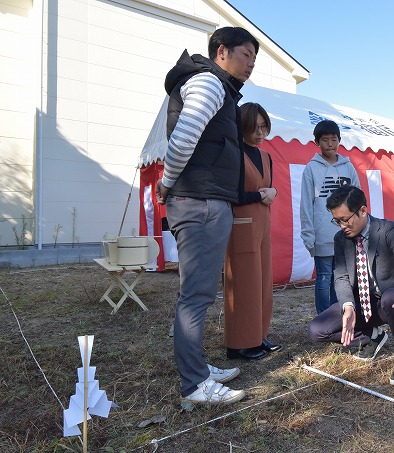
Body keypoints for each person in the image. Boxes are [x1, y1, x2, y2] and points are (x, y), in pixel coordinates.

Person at [155, 27, 258, 405]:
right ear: (221, 52)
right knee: (195, 295)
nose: (250, 64)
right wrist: (167, 181)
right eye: (245, 54)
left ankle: (197, 366)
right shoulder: (209, 83)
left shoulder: (216, 86)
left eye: (253, 58)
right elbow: (183, 137)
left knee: (198, 292)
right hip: (200, 200)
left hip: (205, 199)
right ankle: (195, 384)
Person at [308, 185, 394, 387]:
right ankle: (372, 336)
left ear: (363, 210)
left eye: (346, 219)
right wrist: (348, 306)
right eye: (337, 221)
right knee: (317, 330)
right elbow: (341, 276)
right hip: (362, 303)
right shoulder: (340, 239)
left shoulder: (388, 229)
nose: (342, 226)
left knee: (392, 298)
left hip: (391, 301)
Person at [223, 102, 282, 360]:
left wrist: (274, 192)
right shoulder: (233, 153)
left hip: (263, 224)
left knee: (262, 282)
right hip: (241, 225)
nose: (260, 133)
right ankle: (239, 344)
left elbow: (270, 187)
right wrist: (262, 194)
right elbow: (230, 193)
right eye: (254, 127)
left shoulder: (266, 156)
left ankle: (258, 335)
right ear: (242, 127)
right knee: (243, 285)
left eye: (264, 127)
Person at [300, 120, 361, 314]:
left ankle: (339, 316)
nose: (330, 144)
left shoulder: (348, 167)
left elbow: (358, 198)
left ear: (339, 140)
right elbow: (306, 204)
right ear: (317, 142)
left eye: (333, 139)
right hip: (322, 235)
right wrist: (308, 235)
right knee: (324, 278)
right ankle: (323, 319)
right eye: (324, 140)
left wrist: (359, 228)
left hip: (345, 234)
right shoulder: (311, 169)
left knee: (342, 278)